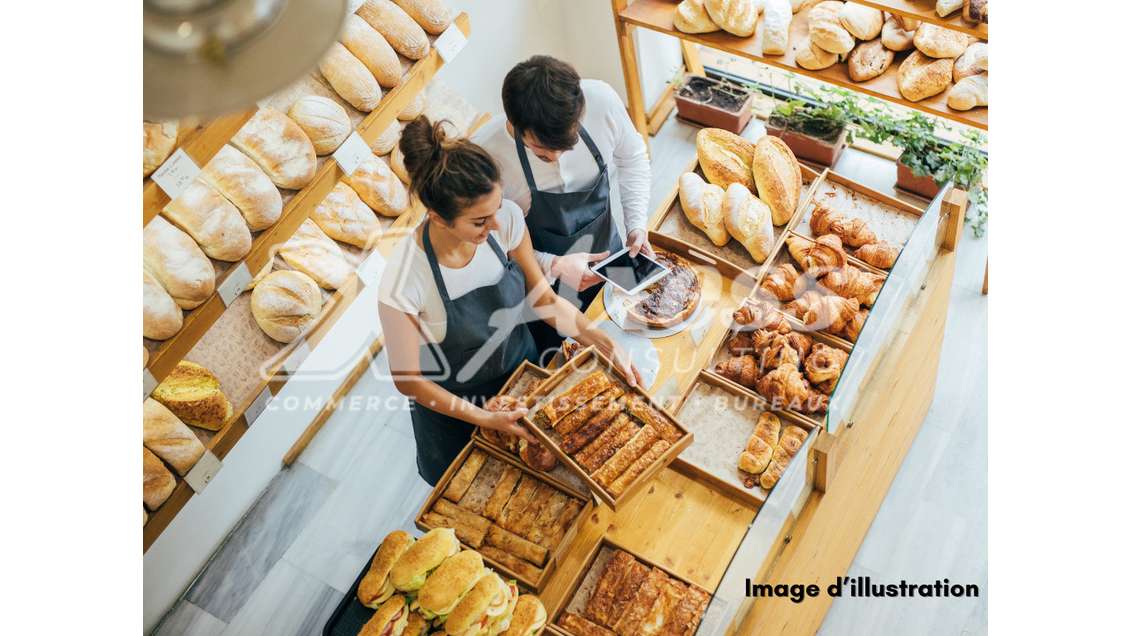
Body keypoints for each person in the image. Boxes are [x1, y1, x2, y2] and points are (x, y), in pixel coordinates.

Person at [378, 116, 642, 486]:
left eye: (497, 209)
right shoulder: (404, 279)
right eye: (480, 221)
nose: (497, 226)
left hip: (523, 379)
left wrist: (604, 342)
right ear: (438, 217)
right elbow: (409, 380)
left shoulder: (508, 221)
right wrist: (485, 418)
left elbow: (545, 301)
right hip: (458, 410)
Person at [473, 55, 653, 359]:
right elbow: (488, 244)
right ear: (515, 125)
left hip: (611, 258)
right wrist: (552, 264)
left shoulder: (601, 101)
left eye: (565, 146)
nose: (555, 157)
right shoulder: (486, 156)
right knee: (566, 365)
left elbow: (632, 158)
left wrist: (636, 224)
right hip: (543, 291)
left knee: (638, 342)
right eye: (542, 150)